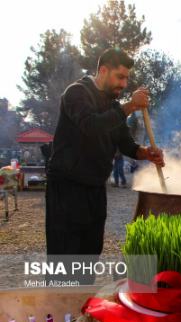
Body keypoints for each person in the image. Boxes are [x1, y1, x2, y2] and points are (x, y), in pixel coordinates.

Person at [46, 48, 164, 283]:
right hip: (67, 190)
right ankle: (60, 315)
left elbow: (126, 144)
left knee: (90, 253)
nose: (124, 83)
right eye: (120, 77)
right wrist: (130, 106)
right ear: (103, 70)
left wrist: (146, 154)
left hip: (95, 190)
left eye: (127, 78)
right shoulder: (76, 93)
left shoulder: (113, 105)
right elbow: (91, 125)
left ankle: (80, 314)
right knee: (66, 258)